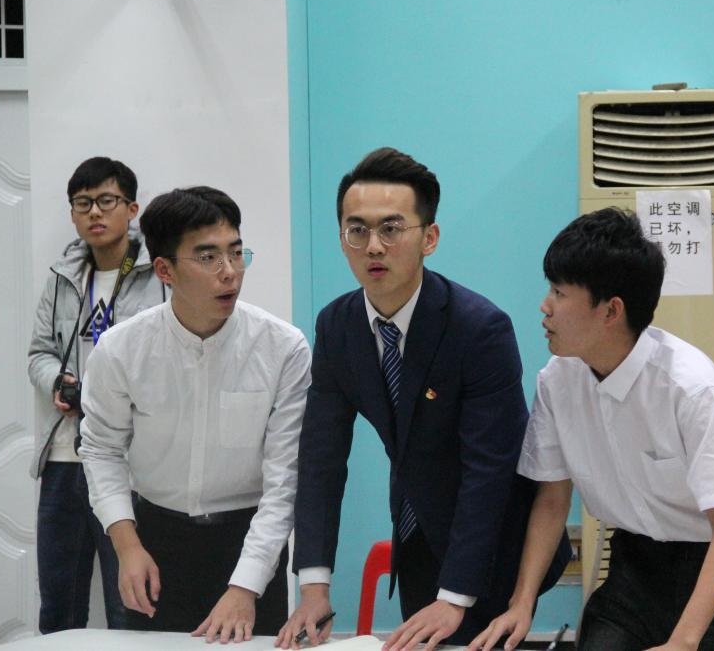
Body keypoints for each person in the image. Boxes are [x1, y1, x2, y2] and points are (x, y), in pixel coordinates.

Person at [277, 147, 570, 650]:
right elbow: (321, 457)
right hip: (417, 536)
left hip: (497, 546)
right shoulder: (337, 326)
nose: (373, 246)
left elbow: (489, 470)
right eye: (357, 230)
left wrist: (455, 597)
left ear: (429, 238)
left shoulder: (478, 328)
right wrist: (314, 586)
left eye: (391, 229)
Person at [470, 208, 714, 651]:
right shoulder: (558, 380)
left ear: (611, 311)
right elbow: (552, 499)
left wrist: (683, 642)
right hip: (638, 562)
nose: (545, 306)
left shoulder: (689, 386)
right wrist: (522, 602)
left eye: (559, 293)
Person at [78, 186, 312, 643]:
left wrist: (245, 586)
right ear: (164, 270)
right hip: (155, 541)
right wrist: (126, 546)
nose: (230, 272)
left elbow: (285, 478)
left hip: (249, 542)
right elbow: (102, 449)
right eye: (208, 257)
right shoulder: (121, 349)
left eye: (236, 253)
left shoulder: (282, 348)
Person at [28, 156, 166, 633]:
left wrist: (105, 394)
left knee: (130, 605)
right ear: (72, 214)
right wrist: (58, 382)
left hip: (129, 462)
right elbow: (39, 352)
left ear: (132, 208)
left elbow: (164, 357)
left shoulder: (158, 275)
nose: (94, 212)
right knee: (58, 607)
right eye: (82, 203)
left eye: (106, 200)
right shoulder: (62, 276)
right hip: (65, 459)